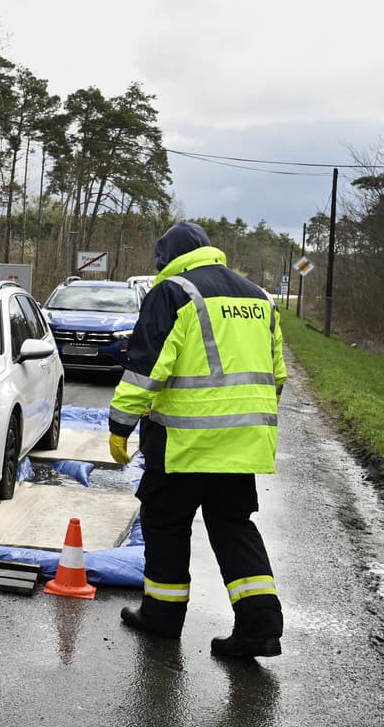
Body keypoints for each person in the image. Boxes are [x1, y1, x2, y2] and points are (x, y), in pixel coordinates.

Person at [108, 221, 287, 658]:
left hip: (182, 442)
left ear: (165, 260)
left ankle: (163, 617)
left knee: (166, 524)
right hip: (243, 443)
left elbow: (146, 368)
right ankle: (260, 627)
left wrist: (119, 426)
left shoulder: (173, 293)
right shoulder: (257, 297)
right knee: (232, 526)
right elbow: (277, 375)